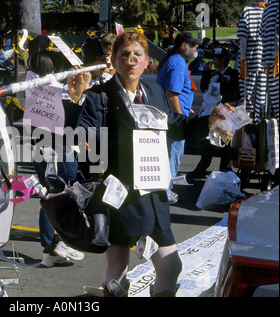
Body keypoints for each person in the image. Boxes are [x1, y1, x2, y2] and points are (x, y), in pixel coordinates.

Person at [68, 31, 234, 297]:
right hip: (118, 195)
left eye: (138, 55)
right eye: (124, 55)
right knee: (117, 271)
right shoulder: (99, 96)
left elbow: (176, 125)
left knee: (170, 266)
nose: (131, 60)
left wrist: (209, 120)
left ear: (147, 62)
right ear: (114, 59)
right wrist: (75, 101)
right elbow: (81, 139)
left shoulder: (153, 91)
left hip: (154, 193)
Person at [25, 50, 85, 267]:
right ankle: (56, 244)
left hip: (41, 146)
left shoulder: (31, 86)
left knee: (51, 195)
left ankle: (51, 249)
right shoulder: (57, 91)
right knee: (63, 194)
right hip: (58, 147)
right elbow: (71, 119)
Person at [157, 31, 198, 204]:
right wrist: (180, 119)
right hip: (174, 120)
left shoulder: (174, 60)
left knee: (170, 156)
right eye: (194, 46)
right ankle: (165, 193)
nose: (196, 49)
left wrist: (185, 109)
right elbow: (172, 94)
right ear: (184, 46)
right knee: (172, 157)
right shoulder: (178, 63)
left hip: (173, 114)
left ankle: (165, 191)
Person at [188, 47, 240, 180]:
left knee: (225, 140)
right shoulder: (212, 74)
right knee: (208, 140)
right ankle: (202, 168)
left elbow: (235, 92)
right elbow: (204, 88)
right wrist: (206, 73)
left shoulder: (234, 74)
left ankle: (225, 169)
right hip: (212, 113)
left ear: (223, 60)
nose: (213, 61)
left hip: (226, 112)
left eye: (216, 59)